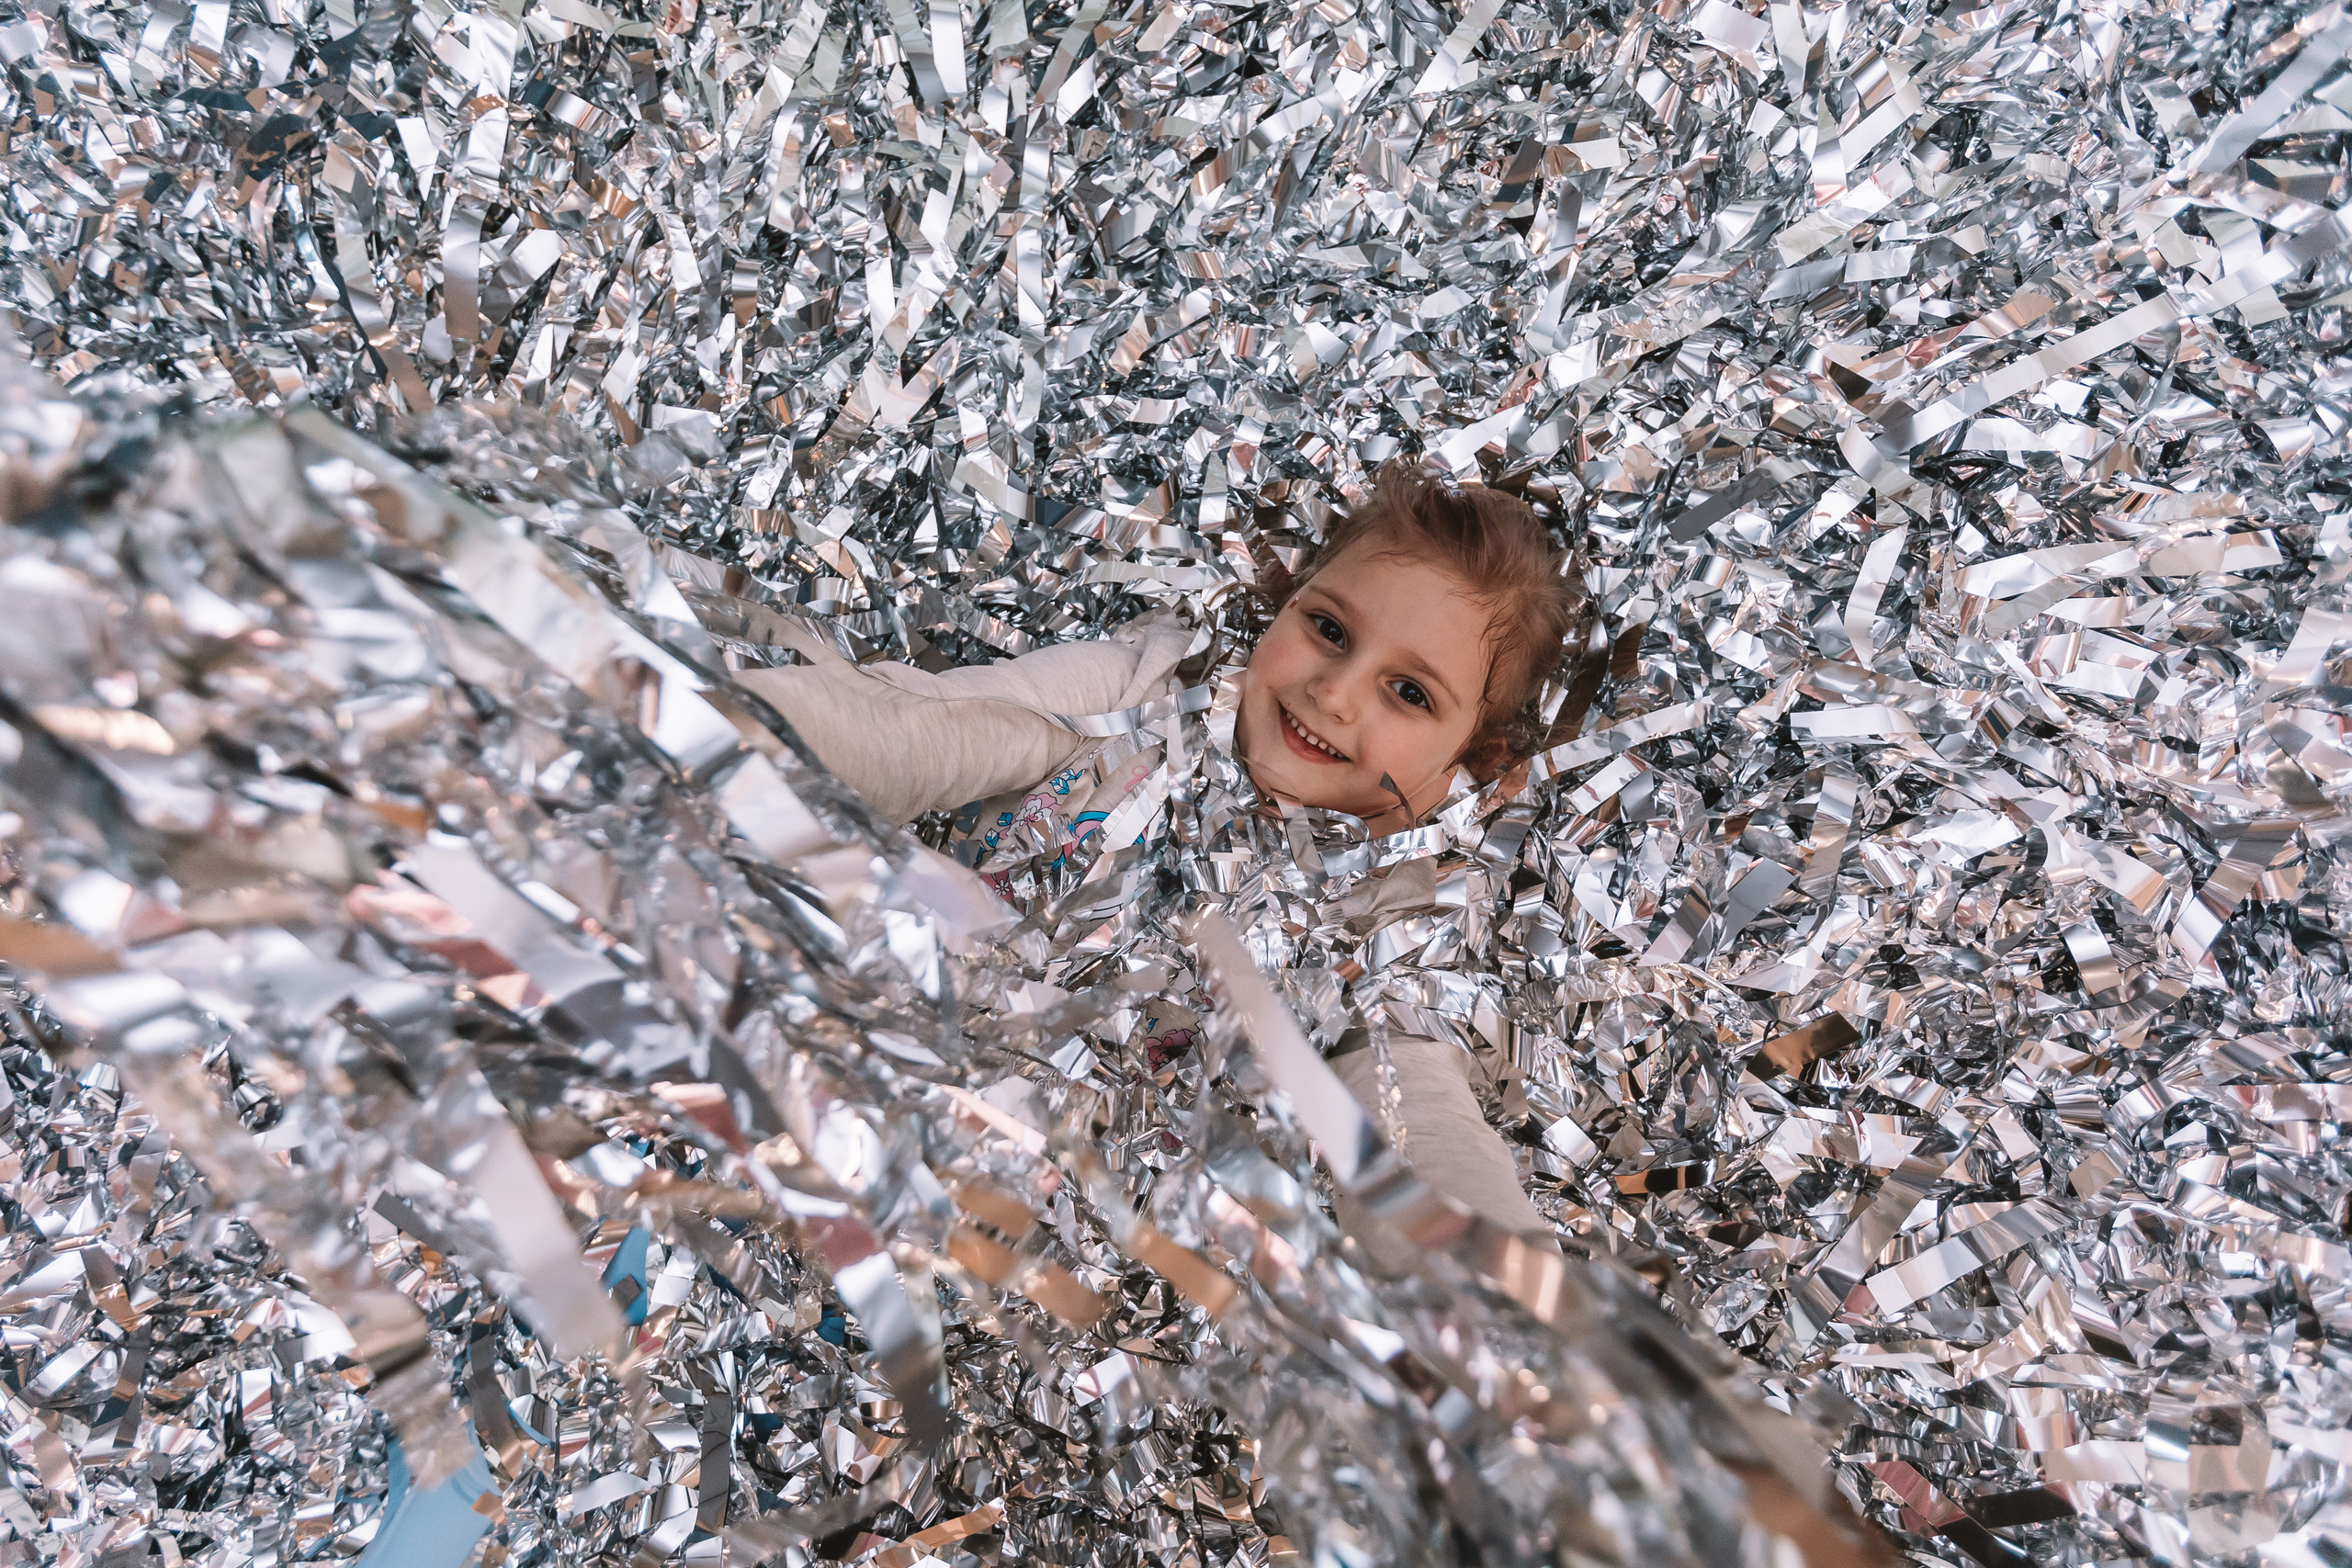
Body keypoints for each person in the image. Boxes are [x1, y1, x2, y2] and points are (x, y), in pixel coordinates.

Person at [734, 462, 1582, 1236]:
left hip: (1058, 1208)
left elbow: (1415, 1117)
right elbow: (920, 729)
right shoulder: (1144, 687)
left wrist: (1494, 1278)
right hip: (880, 1010)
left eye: (1408, 692)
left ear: (1464, 767)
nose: (1334, 692)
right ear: (1287, 599)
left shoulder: (1402, 909)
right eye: (1328, 628)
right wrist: (716, 725)